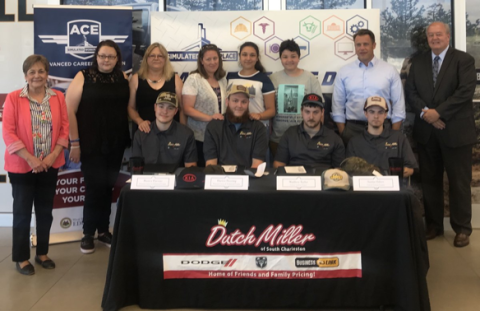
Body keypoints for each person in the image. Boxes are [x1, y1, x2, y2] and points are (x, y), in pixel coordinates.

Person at [405, 22, 477, 247]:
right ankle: (434, 225)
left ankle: (462, 228)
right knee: (430, 182)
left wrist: (439, 113)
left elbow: (465, 92)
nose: (434, 38)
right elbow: (411, 92)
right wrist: (428, 114)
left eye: (439, 34)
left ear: (448, 36)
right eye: (431, 35)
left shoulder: (463, 60)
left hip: (455, 131)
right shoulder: (417, 62)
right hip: (427, 132)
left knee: (459, 182)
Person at [2, 55, 69, 275]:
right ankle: (21, 258)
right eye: (32, 72)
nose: (37, 76)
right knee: (22, 212)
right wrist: (31, 159)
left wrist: (52, 156)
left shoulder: (58, 97)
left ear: (47, 74)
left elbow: (64, 129)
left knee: (44, 211)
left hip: (50, 164)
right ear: (25, 76)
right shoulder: (13, 98)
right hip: (22, 167)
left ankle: (42, 253)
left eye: (41, 71)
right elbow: (9, 133)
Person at [66, 40, 130, 254]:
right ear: (96, 57)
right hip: (90, 142)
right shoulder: (83, 76)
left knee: (109, 187)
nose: (106, 60)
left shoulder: (123, 77)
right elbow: (69, 111)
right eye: (102, 56)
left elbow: (127, 108)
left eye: (111, 56)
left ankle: (103, 231)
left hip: (115, 142)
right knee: (94, 188)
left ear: (117, 59)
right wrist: (74, 143)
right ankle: (87, 234)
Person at [332, 29, 405, 145]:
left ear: (374, 45)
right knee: (353, 163)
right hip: (353, 130)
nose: (362, 48)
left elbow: (398, 105)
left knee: (382, 163)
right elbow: (337, 107)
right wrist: (343, 132)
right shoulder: (344, 72)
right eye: (358, 45)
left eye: (366, 44)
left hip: (383, 128)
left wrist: (393, 134)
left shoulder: (389, 70)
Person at [269, 39, 324, 157]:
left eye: (293, 56)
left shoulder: (310, 78)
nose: (289, 60)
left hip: (305, 137)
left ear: (299, 57)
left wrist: (318, 135)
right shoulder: (273, 78)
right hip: (278, 138)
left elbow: (320, 109)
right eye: (285, 57)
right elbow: (269, 107)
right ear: (280, 59)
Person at [346, 96, 417, 176]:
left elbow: (410, 169)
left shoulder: (399, 138)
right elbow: (349, 171)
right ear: (366, 114)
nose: (376, 116)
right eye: (372, 112)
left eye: (380, 112)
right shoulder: (354, 142)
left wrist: (390, 176)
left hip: (393, 186)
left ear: (385, 114)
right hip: (364, 186)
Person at [273, 93, 344, 173]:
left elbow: (339, 171)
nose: (311, 117)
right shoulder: (290, 134)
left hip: (323, 181)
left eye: (315, 112)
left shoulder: (334, 138)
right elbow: (278, 164)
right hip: (294, 180)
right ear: (301, 111)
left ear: (322, 112)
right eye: (307, 112)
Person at [182, 44, 227, 167]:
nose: (212, 62)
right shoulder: (194, 79)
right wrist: (211, 118)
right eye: (208, 59)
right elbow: (187, 109)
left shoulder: (222, 79)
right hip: (199, 137)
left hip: (219, 136)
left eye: (215, 58)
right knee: (203, 173)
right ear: (201, 61)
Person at [128, 43, 185, 138]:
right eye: (152, 55)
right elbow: (131, 108)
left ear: (165, 59)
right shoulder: (135, 79)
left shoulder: (175, 79)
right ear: (146, 58)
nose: (156, 58)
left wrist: (182, 130)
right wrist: (140, 121)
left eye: (160, 56)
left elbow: (182, 108)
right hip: (144, 132)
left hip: (171, 133)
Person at [203, 85, 267, 168]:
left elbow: (257, 164)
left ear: (248, 103)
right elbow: (211, 163)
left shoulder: (258, 128)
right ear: (227, 102)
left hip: (248, 176)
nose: (239, 105)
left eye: (244, 102)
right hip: (220, 177)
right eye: (235, 101)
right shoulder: (213, 127)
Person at [132, 92, 197, 168]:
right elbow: (136, 169)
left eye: (170, 108)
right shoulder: (140, 134)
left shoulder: (186, 134)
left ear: (175, 111)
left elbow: (190, 169)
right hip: (147, 179)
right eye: (161, 106)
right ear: (155, 107)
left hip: (175, 178)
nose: (165, 111)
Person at [227, 42, 275, 127]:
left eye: (252, 55)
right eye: (244, 54)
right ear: (239, 56)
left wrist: (259, 116)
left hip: (257, 128)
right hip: (233, 127)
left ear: (257, 58)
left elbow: (271, 110)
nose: (248, 58)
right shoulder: (230, 77)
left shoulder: (264, 79)